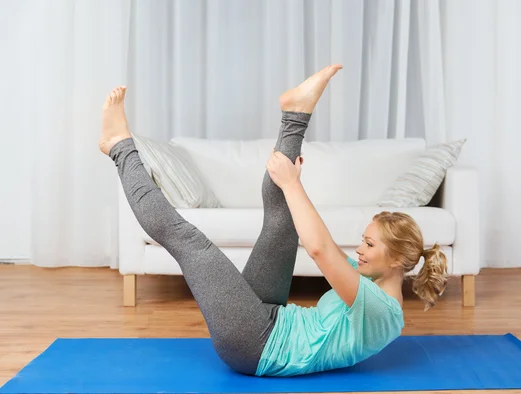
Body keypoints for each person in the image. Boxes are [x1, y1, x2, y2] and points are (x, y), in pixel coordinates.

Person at [99, 64, 448, 377]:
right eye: (364, 239)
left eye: (369, 244)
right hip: (271, 317)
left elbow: (320, 249)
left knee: (186, 238)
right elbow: (313, 235)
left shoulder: (381, 309)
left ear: (399, 261)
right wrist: (291, 186)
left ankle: (118, 146)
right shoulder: (368, 284)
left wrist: (294, 184)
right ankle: (295, 113)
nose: (359, 248)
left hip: (256, 345)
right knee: (282, 220)